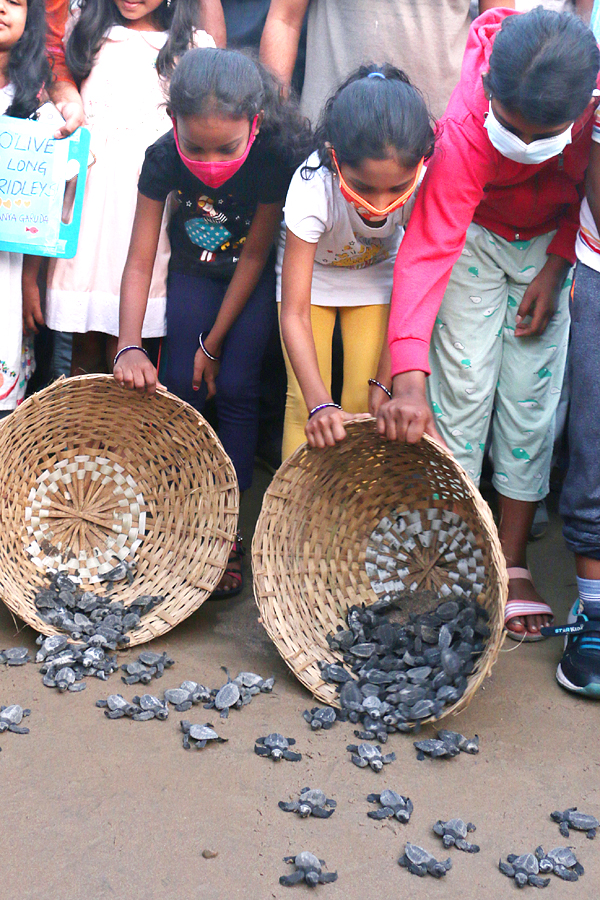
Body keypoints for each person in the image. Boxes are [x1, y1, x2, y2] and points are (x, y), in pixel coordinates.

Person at [376, 8, 600, 642]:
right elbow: (428, 248)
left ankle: (511, 558)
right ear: (491, 96)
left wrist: (557, 265)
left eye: (542, 135)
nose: (525, 145)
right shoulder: (466, 127)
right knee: (462, 393)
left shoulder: (592, 115)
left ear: (583, 109)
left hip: (554, 247)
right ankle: (455, 549)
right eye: (511, 127)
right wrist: (408, 373)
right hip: (473, 241)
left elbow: (588, 193)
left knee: (530, 405)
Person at [114, 47, 309, 596]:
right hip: (194, 278)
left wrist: (214, 344)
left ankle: (227, 534)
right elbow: (139, 258)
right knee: (180, 387)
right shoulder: (161, 158)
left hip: (247, 285)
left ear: (256, 124)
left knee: (241, 390)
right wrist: (128, 347)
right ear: (172, 122)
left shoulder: (274, 157)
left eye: (225, 147)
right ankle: (182, 521)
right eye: (195, 146)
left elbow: (254, 256)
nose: (209, 159)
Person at [37, 0, 216, 376]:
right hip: (90, 207)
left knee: (136, 352)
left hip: (148, 211)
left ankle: (126, 434)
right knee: (83, 348)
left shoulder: (193, 47)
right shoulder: (85, 29)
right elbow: (55, 75)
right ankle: (80, 433)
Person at [279, 65, 434, 456]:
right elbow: (294, 313)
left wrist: (385, 381)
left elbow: (410, 291)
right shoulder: (312, 186)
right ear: (335, 159)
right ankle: (292, 513)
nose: (380, 206)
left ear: (420, 165)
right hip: (309, 284)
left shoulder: (425, 187)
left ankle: (355, 514)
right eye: (364, 187)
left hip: (375, 280)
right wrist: (319, 405)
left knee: (365, 404)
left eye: (396, 188)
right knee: (304, 405)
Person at [260, 0, 513, 122]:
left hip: (445, 139)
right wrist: (275, 119)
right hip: (330, 142)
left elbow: (498, 28)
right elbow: (284, 20)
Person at [0, 0, 49, 416]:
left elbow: (45, 197)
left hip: (7, 269)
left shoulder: (36, 104)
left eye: (14, 1)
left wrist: (31, 279)